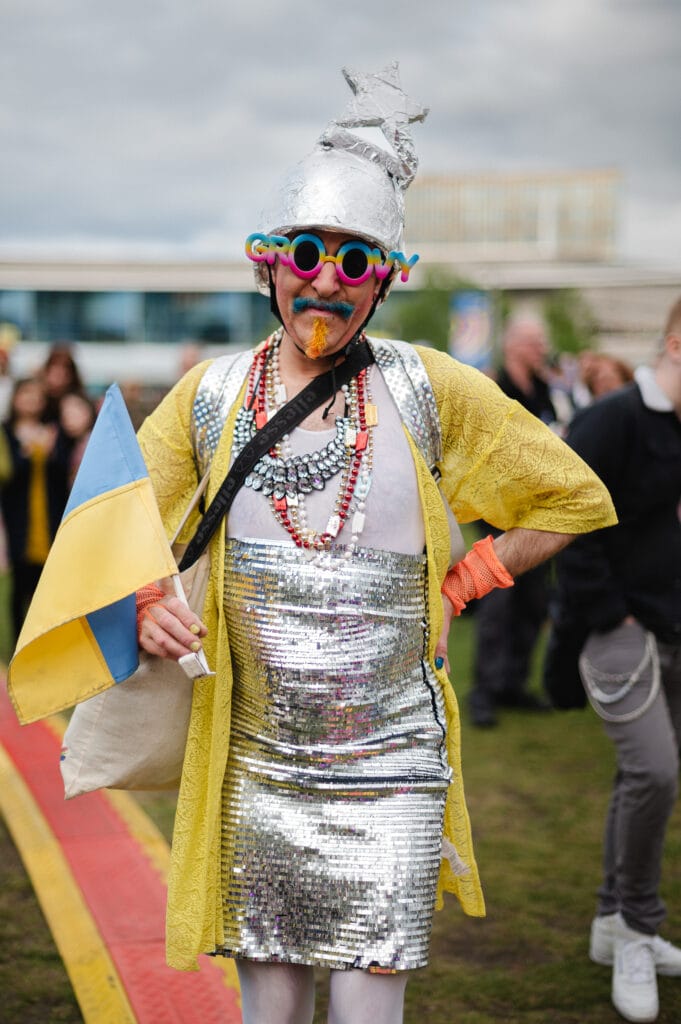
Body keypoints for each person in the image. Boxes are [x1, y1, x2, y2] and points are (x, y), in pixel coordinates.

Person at [130, 65, 615, 1024]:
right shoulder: (210, 395)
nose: (325, 279)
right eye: (307, 252)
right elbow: (112, 521)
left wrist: (466, 580)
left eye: (354, 261)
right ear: (269, 262)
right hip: (256, 763)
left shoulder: (431, 386)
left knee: (366, 1013)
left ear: (384, 279)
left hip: (391, 762)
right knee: (269, 1010)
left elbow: (572, 496)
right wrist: (145, 599)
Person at [544, 296, 681, 1023]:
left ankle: (613, 921)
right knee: (653, 773)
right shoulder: (614, 418)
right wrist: (611, 615)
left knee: (645, 783)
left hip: (673, 627)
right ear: (676, 344)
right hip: (618, 630)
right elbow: (568, 523)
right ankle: (634, 927)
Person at [467, 316, 560, 728]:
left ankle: (513, 684)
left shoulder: (542, 389)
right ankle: (484, 692)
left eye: (542, 342)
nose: (541, 349)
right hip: (497, 513)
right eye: (534, 342)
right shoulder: (493, 385)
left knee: (533, 603)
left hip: (536, 512)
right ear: (513, 346)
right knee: (498, 605)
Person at [0, 377, 71, 640]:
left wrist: (50, 452)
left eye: (36, 395)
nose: (31, 400)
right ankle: (17, 644)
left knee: (47, 588)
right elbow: (7, 476)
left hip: (49, 518)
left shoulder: (53, 430)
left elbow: (64, 474)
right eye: (25, 393)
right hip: (17, 520)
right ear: (15, 398)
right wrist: (26, 453)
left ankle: (43, 641)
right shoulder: (6, 432)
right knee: (19, 587)